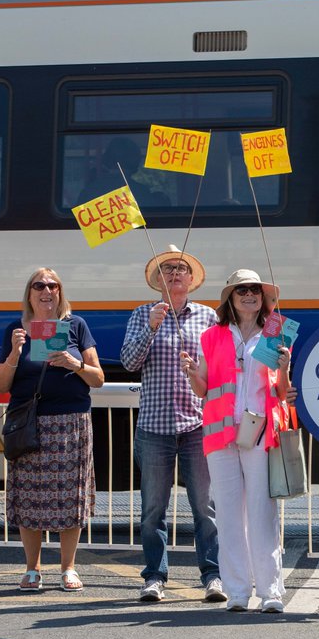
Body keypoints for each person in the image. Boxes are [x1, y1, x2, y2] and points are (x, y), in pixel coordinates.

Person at [182, 270, 290, 612]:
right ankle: (238, 591)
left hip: (260, 431)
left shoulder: (277, 330)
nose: (248, 295)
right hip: (220, 432)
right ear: (230, 297)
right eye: (241, 290)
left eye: (254, 290)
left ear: (263, 297)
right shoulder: (211, 336)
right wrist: (192, 374)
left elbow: (281, 391)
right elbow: (204, 389)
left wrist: (285, 367)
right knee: (228, 515)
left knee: (262, 512)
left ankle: (271, 591)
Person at [120, 246, 223, 602]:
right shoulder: (141, 314)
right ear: (157, 280)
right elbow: (130, 362)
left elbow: (220, 366)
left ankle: (212, 575)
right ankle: (155, 577)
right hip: (154, 426)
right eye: (168, 269)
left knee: (205, 508)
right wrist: (151, 327)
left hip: (196, 424)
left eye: (181, 268)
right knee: (153, 510)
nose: (175, 273)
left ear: (191, 279)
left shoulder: (208, 317)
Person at [0, 268, 104, 592]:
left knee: (70, 498)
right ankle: (32, 569)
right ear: (29, 293)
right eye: (39, 285)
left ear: (60, 292)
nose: (46, 291)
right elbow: (0, 385)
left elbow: (97, 378)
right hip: (29, 424)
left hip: (71, 422)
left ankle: (68, 568)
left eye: (53, 285)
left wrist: (74, 364)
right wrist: (15, 351)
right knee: (29, 498)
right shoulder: (14, 329)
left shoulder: (76, 326)